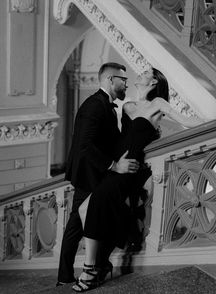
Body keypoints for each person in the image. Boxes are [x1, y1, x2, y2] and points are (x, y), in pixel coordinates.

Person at [72, 67, 206, 292]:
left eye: (145, 73)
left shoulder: (159, 104)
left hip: (132, 170)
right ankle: (102, 263)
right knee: (84, 209)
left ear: (154, 82)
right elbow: (121, 139)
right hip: (116, 167)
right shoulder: (127, 106)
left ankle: (90, 269)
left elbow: (187, 121)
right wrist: (109, 163)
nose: (140, 74)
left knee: (93, 206)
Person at [56, 62, 140, 286]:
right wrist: (114, 166)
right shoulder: (94, 105)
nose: (126, 84)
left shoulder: (107, 105)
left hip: (98, 175)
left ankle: (85, 269)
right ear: (110, 80)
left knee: (82, 222)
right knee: (76, 225)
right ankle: (72, 274)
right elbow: (84, 145)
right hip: (89, 175)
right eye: (123, 80)